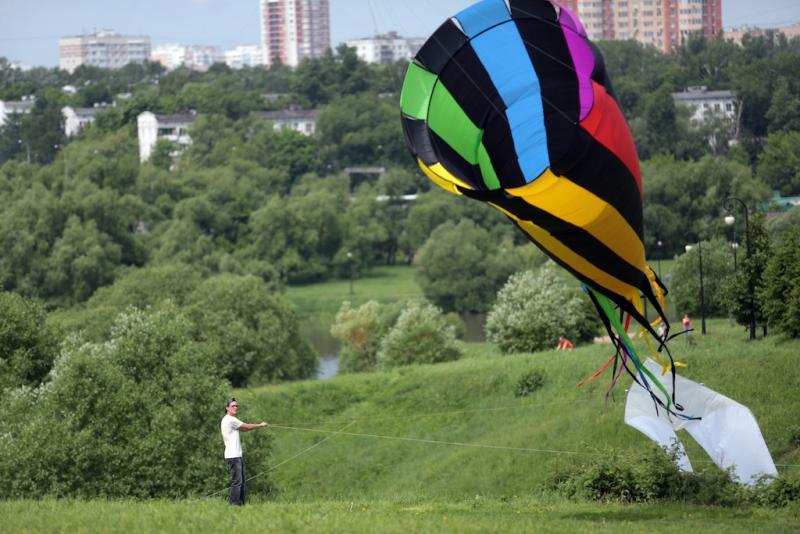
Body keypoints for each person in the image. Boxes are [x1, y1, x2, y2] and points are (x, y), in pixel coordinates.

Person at [221, 398, 269, 505]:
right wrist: (260, 425)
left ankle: (241, 504)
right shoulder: (230, 419)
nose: (236, 407)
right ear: (227, 408)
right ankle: (234, 505)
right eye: (233, 406)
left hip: (236, 455)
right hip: (233, 456)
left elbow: (243, 429)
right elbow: (246, 427)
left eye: (237, 406)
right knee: (237, 482)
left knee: (241, 482)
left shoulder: (229, 420)